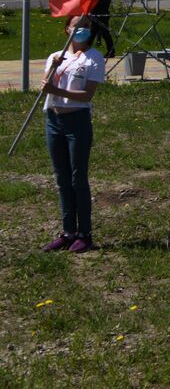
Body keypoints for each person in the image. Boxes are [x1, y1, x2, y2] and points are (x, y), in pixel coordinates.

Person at [40, 15, 106, 253]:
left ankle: (85, 234)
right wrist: (52, 72)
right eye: (77, 26)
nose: (81, 30)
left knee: (78, 178)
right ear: (67, 28)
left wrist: (55, 88)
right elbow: (44, 86)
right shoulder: (55, 56)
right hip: (53, 120)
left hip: (77, 121)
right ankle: (68, 232)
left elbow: (87, 95)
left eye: (86, 26)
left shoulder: (94, 58)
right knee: (62, 178)